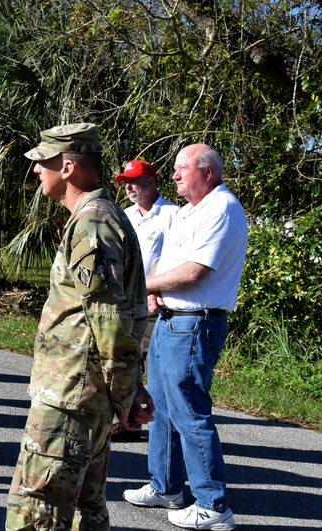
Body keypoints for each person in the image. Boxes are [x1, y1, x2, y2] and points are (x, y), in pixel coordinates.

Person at [6, 123, 152, 530]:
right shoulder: (103, 216)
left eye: (43, 162)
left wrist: (124, 397)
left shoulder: (92, 224)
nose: (37, 170)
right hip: (87, 396)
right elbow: (124, 317)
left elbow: (110, 323)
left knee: (36, 514)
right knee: (85, 513)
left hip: (70, 399)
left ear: (67, 167)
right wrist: (130, 388)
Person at [123, 144, 247, 531]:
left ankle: (213, 505)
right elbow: (166, 259)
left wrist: (142, 286)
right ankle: (166, 486)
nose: (174, 175)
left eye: (181, 168)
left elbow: (195, 272)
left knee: (190, 413)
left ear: (207, 173)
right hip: (171, 319)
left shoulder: (221, 209)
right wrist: (155, 289)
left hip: (195, 322)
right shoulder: (191, 210)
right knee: (160, 406)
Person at [111, 159, 180, 442]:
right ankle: (127, 423)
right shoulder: (122, 215)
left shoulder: (173, 215)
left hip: (155, 304)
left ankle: (161, 426)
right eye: (125, 182)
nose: (128, 187)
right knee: (125, 363)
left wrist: (155, 291)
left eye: (134, 181)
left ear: (151, 182)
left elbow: (175, 259)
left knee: (152, 366)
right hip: (123, 302)